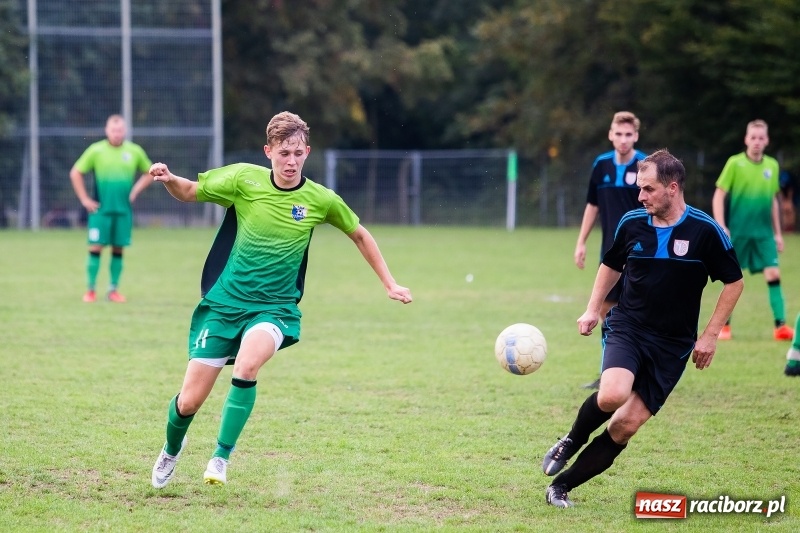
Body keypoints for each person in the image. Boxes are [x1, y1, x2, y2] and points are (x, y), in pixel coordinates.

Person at [149, 111, 413, 488]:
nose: (291, 161)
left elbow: (359, 234)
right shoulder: (243, 179)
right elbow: (189, 192)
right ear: (268, 151)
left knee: (247, 366)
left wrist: (389, 283)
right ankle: (171, 451)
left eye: (298, 153)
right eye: (283, 153)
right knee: (189, 402)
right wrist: (169, 179)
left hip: (274, 308)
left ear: (307, 152)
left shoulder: (320, 199)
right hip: (224, 305)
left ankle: (220, 459)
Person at [542, 149, 743, 508]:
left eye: (648, 189)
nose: (640, 196)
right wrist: (591, 309)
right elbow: (610, 265)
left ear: (672, 187)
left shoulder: (705, 230)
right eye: (639, 189)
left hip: (673, 345)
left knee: (624, 427)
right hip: (629, 327)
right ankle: (571, 440)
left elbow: (733, 282)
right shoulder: (632, 222)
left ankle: (561, 487)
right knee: (612, 395)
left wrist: (711, 334)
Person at [574, 111, 647, 389]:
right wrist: (581, 241)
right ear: (610, 134)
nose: (623, 139)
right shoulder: (601, 165)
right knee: (606, 310)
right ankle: (610, 373)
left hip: (641, 250)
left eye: (629, 135)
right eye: (619, 134)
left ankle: (639, 371)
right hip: (610, 251)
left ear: (636, 136)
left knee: (638, 310)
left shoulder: (645, 165)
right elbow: (592, 205)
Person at [712, 119, 793, 341]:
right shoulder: (734, 163)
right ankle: (724, 327)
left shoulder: (772, 166)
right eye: (753, 137)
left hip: (764, 234)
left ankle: (781, 327)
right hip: (738, 233)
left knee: (774, 274)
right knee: (732, 278)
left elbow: (773, 201)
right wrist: (721, 225)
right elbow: (719, 194)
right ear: (746, 139)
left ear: (766, 140)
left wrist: (778, 233)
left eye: (761, 138)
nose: (757, 142)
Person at [70, 114, 154, 303]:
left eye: (120, 130)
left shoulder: (134, 151)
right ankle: (90, 290)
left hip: (123, 211)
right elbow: (76, 172)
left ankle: (113, 290)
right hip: (100, 211)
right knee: (95, 248)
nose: (117, 133)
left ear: (124, 131)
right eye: (113, 130)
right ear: (107, 131)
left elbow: (149, 172)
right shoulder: (96, 150)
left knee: (118, 250)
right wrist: (84, 199)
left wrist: (135, 191)